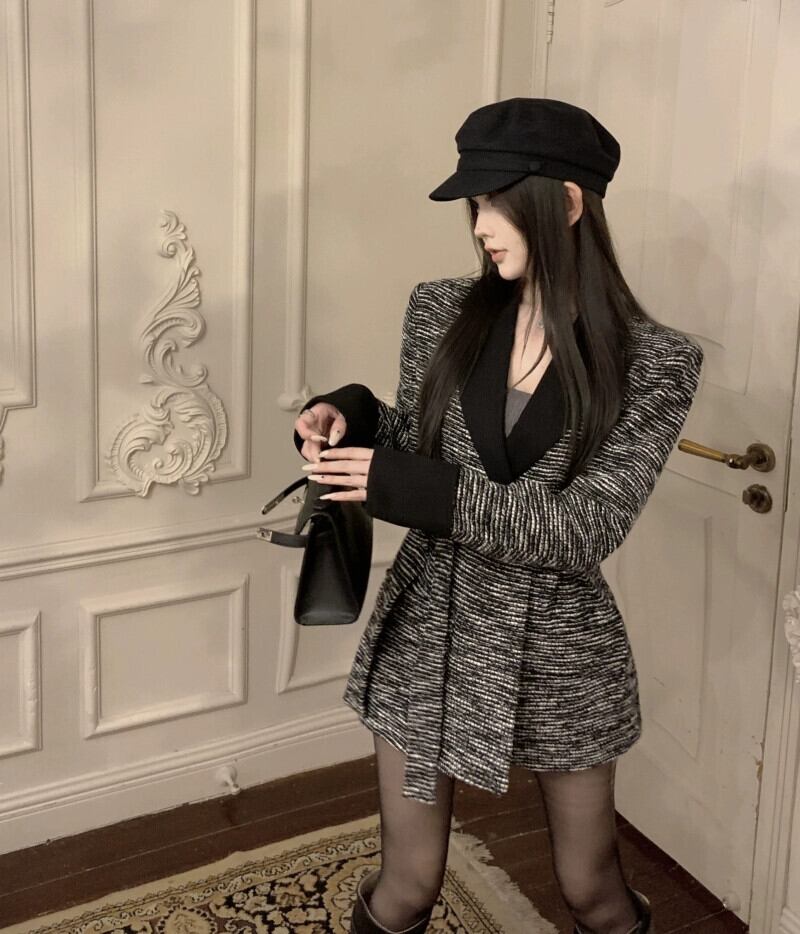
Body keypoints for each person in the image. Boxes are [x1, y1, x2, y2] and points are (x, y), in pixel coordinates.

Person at [292, 98, 703, 934]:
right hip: (430, 626)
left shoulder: (655, 361)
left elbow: (584, 529)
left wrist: (413, 487)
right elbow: (421, 442)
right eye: (473, 204)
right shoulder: (440, 310)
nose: (479, 225)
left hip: (561, 648)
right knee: (407, 883)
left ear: (568, 202)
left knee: (590, 889)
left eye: (495, 202)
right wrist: (350, 415)